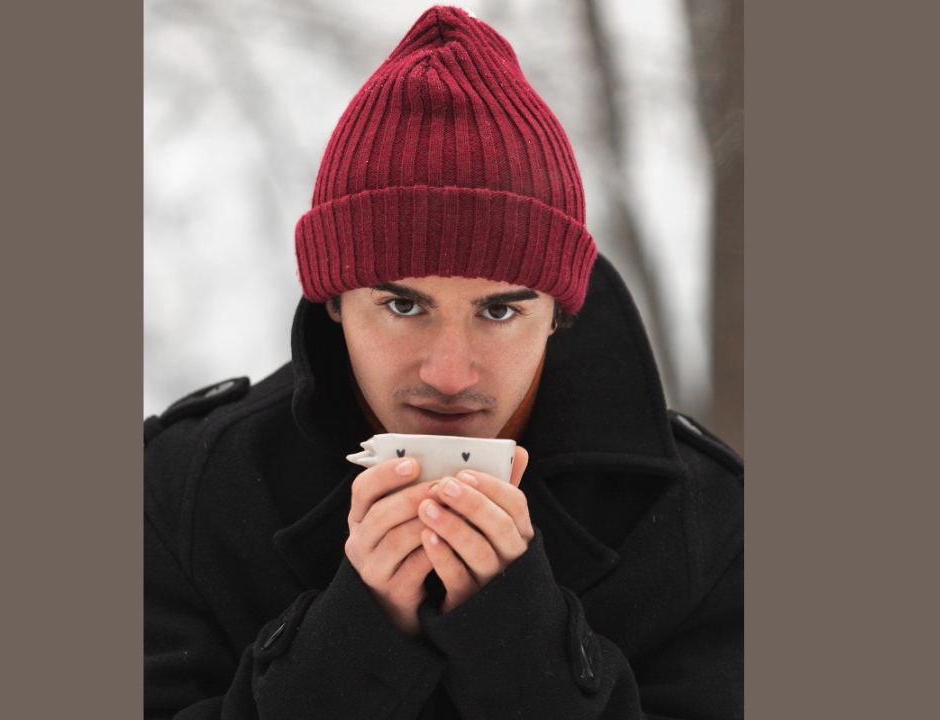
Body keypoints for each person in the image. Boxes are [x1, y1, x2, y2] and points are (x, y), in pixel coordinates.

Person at [144, 6, 743, 719]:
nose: (449, 374)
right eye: (403, 307)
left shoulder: (703, 523)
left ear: (559, 311)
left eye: (499, 312)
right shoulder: (187, 496)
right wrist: (351, 643)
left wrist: (520, 642)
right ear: (334, 300)